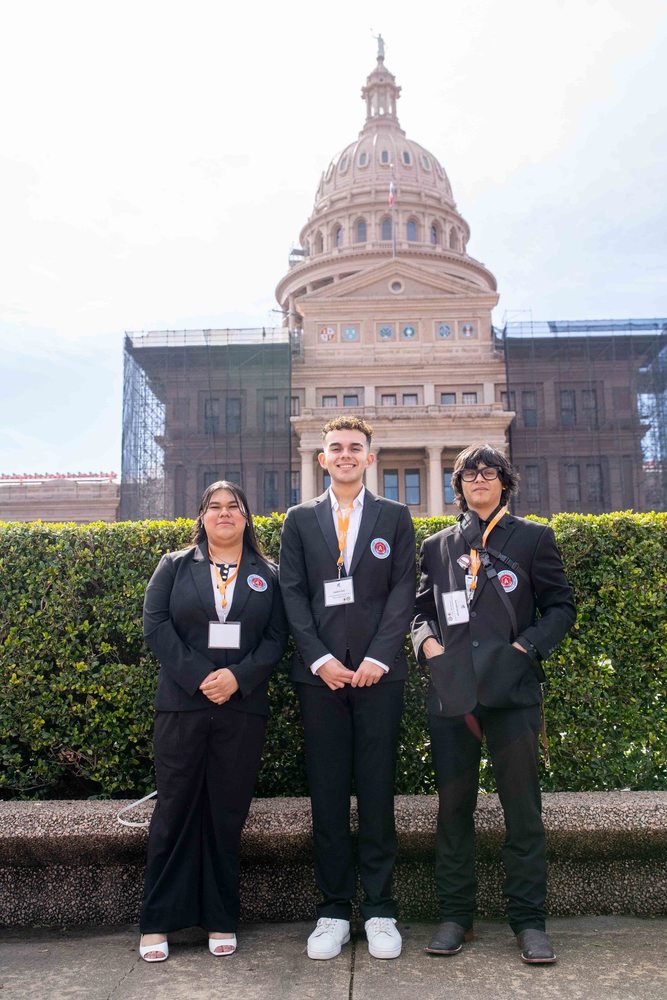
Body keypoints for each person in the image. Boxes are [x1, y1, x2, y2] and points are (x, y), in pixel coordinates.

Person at [411, 444, 575, 965]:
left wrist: (526, 648)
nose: (479, 479)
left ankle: (529, 922)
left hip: (512, 694)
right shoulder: (437, 545)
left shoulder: (533, 538)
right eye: (469, 474)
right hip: (452, 696)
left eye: (489, 472)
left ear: (505, 481)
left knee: (522, 812)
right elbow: (420, 611)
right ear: (457, 485)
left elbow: (560, 607)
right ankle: (456, 916)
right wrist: (427, 647)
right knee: (452, 811)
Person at [279, 416, 416, 961]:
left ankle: (380, 909)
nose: (345, 455)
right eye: (335, 447)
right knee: (329, 795)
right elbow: (292, 594)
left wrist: (380, 657)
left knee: (379, 790)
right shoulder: (299, 519)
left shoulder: (395, 516)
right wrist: (321, 660)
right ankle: (333, 910)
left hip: (380, 677)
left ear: (369, 457)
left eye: (354, 448)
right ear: (321, 457)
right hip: (322, 681)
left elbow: (404, 588)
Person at [139, 480, 288, 962]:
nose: (224, 514)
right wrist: (203, 677)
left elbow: (276, 638)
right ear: (201, 517)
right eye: (215, 507)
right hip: (183, 705)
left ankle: (221, 916)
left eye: (234, 507)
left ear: (247, 517)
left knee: (227, 813)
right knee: (175, 810)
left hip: (241, 709)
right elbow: (155, 624)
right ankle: (157, 920)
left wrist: (238, 679)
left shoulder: (270, 574)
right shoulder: (174, 566)